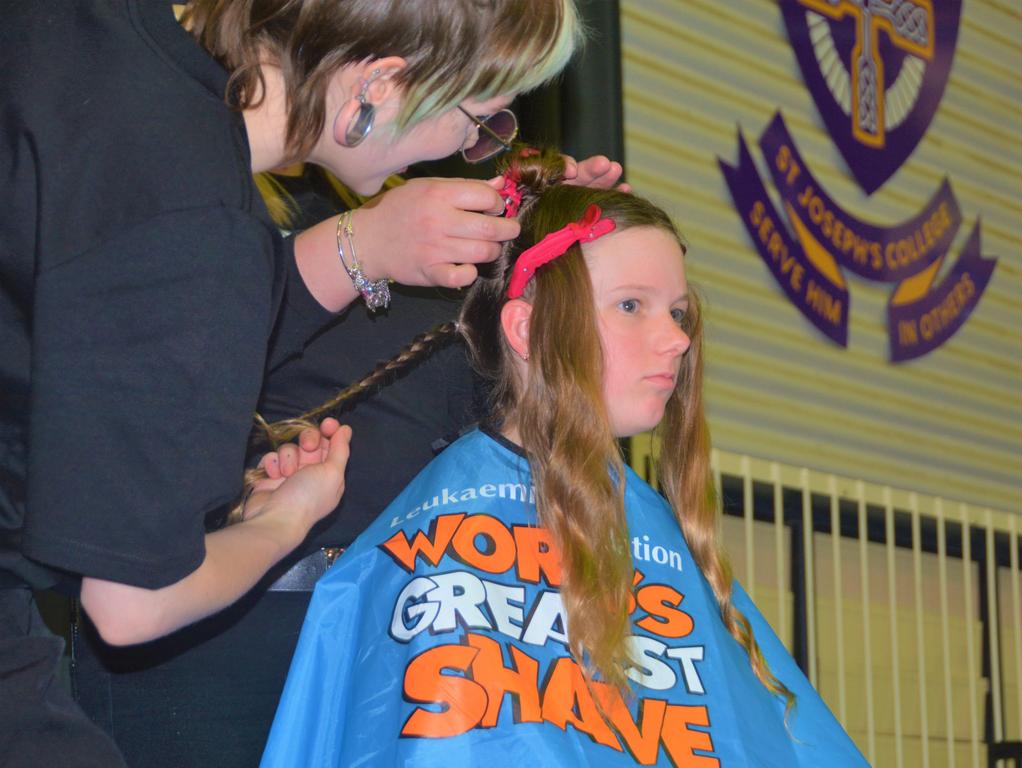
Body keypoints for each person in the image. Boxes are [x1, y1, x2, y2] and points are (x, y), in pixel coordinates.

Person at [1, 1, 591, 764]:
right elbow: (131, 603)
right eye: (480, 120)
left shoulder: (89, 35)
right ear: (381, 82)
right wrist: (284, 523)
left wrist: (367, 243)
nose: (472, 150)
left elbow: (119, 308)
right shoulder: (194, 223)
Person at [256, 149, 869, 766]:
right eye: (632, 305)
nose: (679, 338)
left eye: (678, 312)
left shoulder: (656, 537)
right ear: (525, 331)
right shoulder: (436, 521)